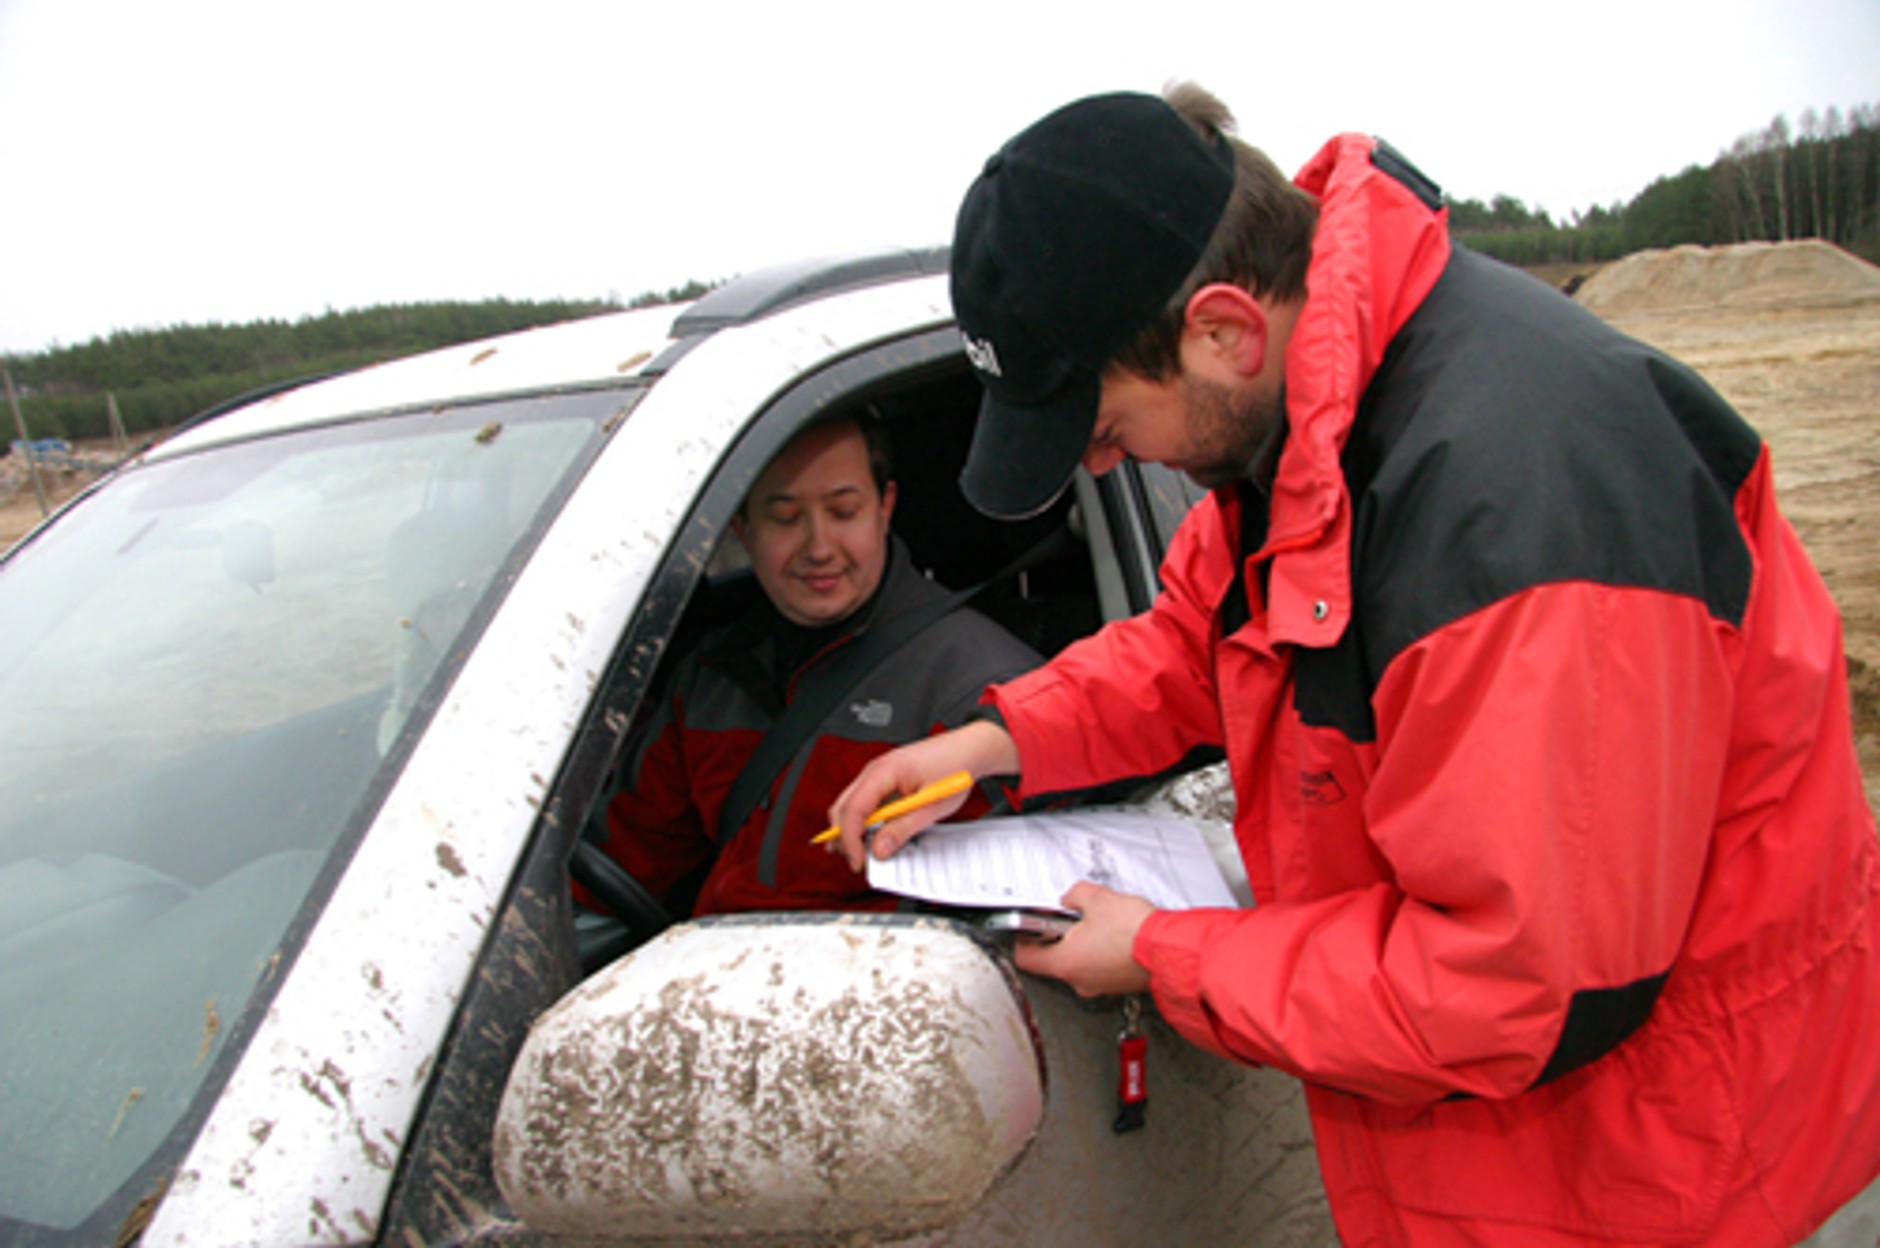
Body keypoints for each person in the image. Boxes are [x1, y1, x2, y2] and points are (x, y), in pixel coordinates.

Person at [830, 84, 1880, 1247]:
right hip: (1495, 1140)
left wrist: (1165, 954)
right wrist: (992, 738)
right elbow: (1201, 635)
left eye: (1104, 421)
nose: (1094, 457)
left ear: (1223, 330)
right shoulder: (1312, 419)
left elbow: (1508, 985)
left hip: (1646, 1167)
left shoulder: (1514, 514)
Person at [585, 407, 1041, 917]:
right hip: (703, 970)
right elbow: (624, 856)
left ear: (885, 508)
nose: (818, 547)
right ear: (742, 527)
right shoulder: (711, 675)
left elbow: (1007, 916)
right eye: (784, 518)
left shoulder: (982, 691)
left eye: (843, 512)